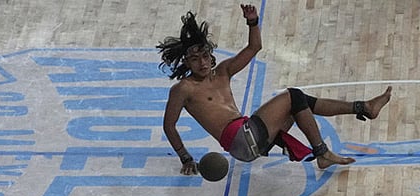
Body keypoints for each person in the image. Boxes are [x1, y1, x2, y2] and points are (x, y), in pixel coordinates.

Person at [157, 5, 392, 173]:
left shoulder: (224, 71)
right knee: (293, 96)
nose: (202, 62)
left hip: (252, 136)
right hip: (242, 141)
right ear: (186, 62)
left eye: (205, 55)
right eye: (195, 59)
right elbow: (169, 125)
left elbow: (254, 46)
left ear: (211, 55)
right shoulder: (183, 89)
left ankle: (363, 107)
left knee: (300, 103)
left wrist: (253, 22)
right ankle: (322, 152)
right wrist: (185, 158)